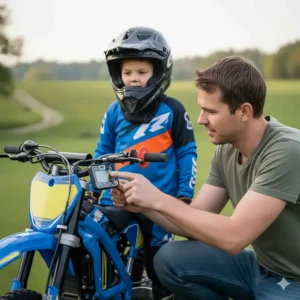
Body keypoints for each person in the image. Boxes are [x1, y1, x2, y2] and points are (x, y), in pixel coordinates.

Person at [110, 56, 300, 300]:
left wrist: (158, 199)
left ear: (244, 111)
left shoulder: (287, 151)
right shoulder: (228, 148)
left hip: (294, 281)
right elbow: (192, 221)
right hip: (260, 268)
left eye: (210, 111)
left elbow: (234, 237)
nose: (201, 119)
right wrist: (142, 204)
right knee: (169, 259)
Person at [89, 26, 197, 300]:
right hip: (120, 200)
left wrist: (185, 194)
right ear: (118, 75)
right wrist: (95, 191)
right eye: (127, 73)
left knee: (159, 264)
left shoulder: (173, 110)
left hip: (159, 203)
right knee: (117, 262)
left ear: (159, 72)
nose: (133, 79)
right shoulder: (113, 111)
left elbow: (187, 153)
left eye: (141, 72)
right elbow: (103, 153)